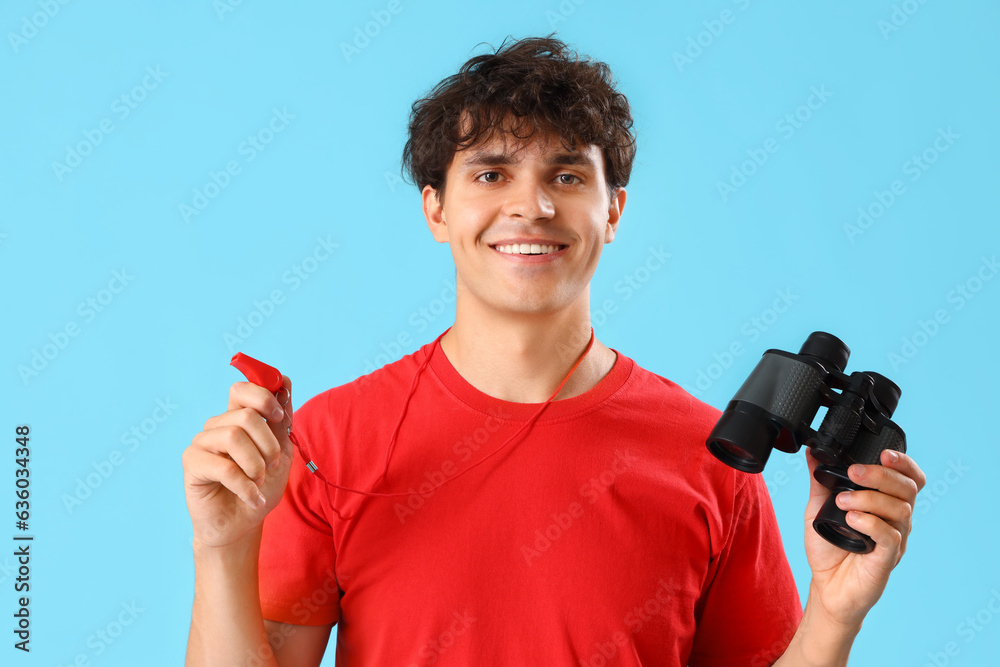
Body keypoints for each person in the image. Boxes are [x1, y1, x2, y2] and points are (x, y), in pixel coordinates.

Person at [183, 34, 926, 666]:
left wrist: (833, 613)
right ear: (435, 208)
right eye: (491, 172)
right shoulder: (329, 441)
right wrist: (223, 544)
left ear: (613, 211)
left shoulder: (714, 462)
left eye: (566, 175)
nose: (531, 205)